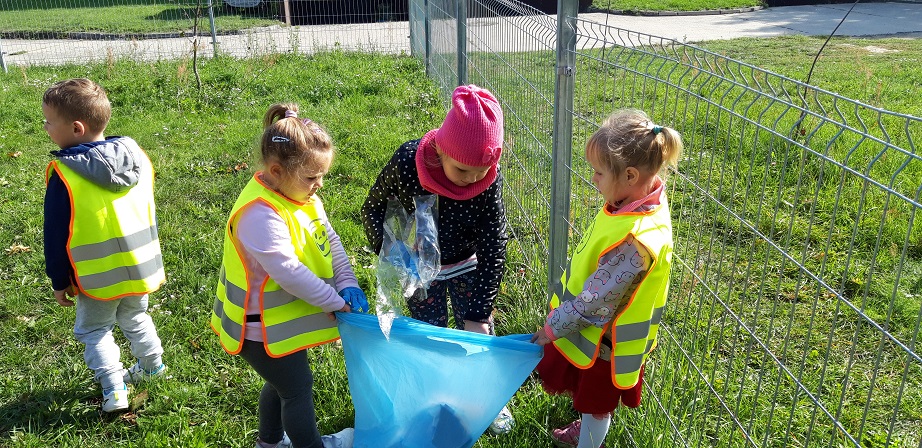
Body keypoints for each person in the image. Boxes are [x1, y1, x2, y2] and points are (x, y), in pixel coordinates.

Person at [211, 103, 367, 448]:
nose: (319, 185)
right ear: (277, 170)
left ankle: (269, 442)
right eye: (312, 177)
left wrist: (348, 282)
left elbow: (329, 240)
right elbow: (288, 271)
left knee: (281, 384)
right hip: (257, 329)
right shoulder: (259, 215)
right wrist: (335, 302)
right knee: (296, 390)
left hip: (275, 327)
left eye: (321, 176)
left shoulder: (300, 195)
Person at [360, 84, 514, 434]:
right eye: (462, 171)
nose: (472, 181)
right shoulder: (407, 164)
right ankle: (433, 394)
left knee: (477, 336)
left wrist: (478, 312)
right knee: (429, 334)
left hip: (467, 262)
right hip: (418, 268)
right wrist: (394, 254)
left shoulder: (487, 178)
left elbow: (494, 243)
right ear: (441, 150)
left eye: (482, 173)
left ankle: (485, 398)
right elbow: (372, 209)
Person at [531, 110, 683, 448]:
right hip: (595, 331)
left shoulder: (634, 244)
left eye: (599, 173)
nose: (594, 179)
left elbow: (595, 303)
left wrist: (552, 328)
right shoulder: (642, 201)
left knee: (596, 403)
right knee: (590, 401)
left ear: (630, 175)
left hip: (606, 342)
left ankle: (590, 442)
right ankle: (586, 430)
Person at [41, 78, 168, 413]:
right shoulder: (136, 156)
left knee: (95, 329)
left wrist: (59, 280)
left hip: (98, 276)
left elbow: (54, 235)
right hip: (140, 264)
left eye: (49, 122)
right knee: (136, 315)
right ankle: (153, 367)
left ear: (77, 128)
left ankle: (114, 389)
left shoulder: (65, 175)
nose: (45, 127)